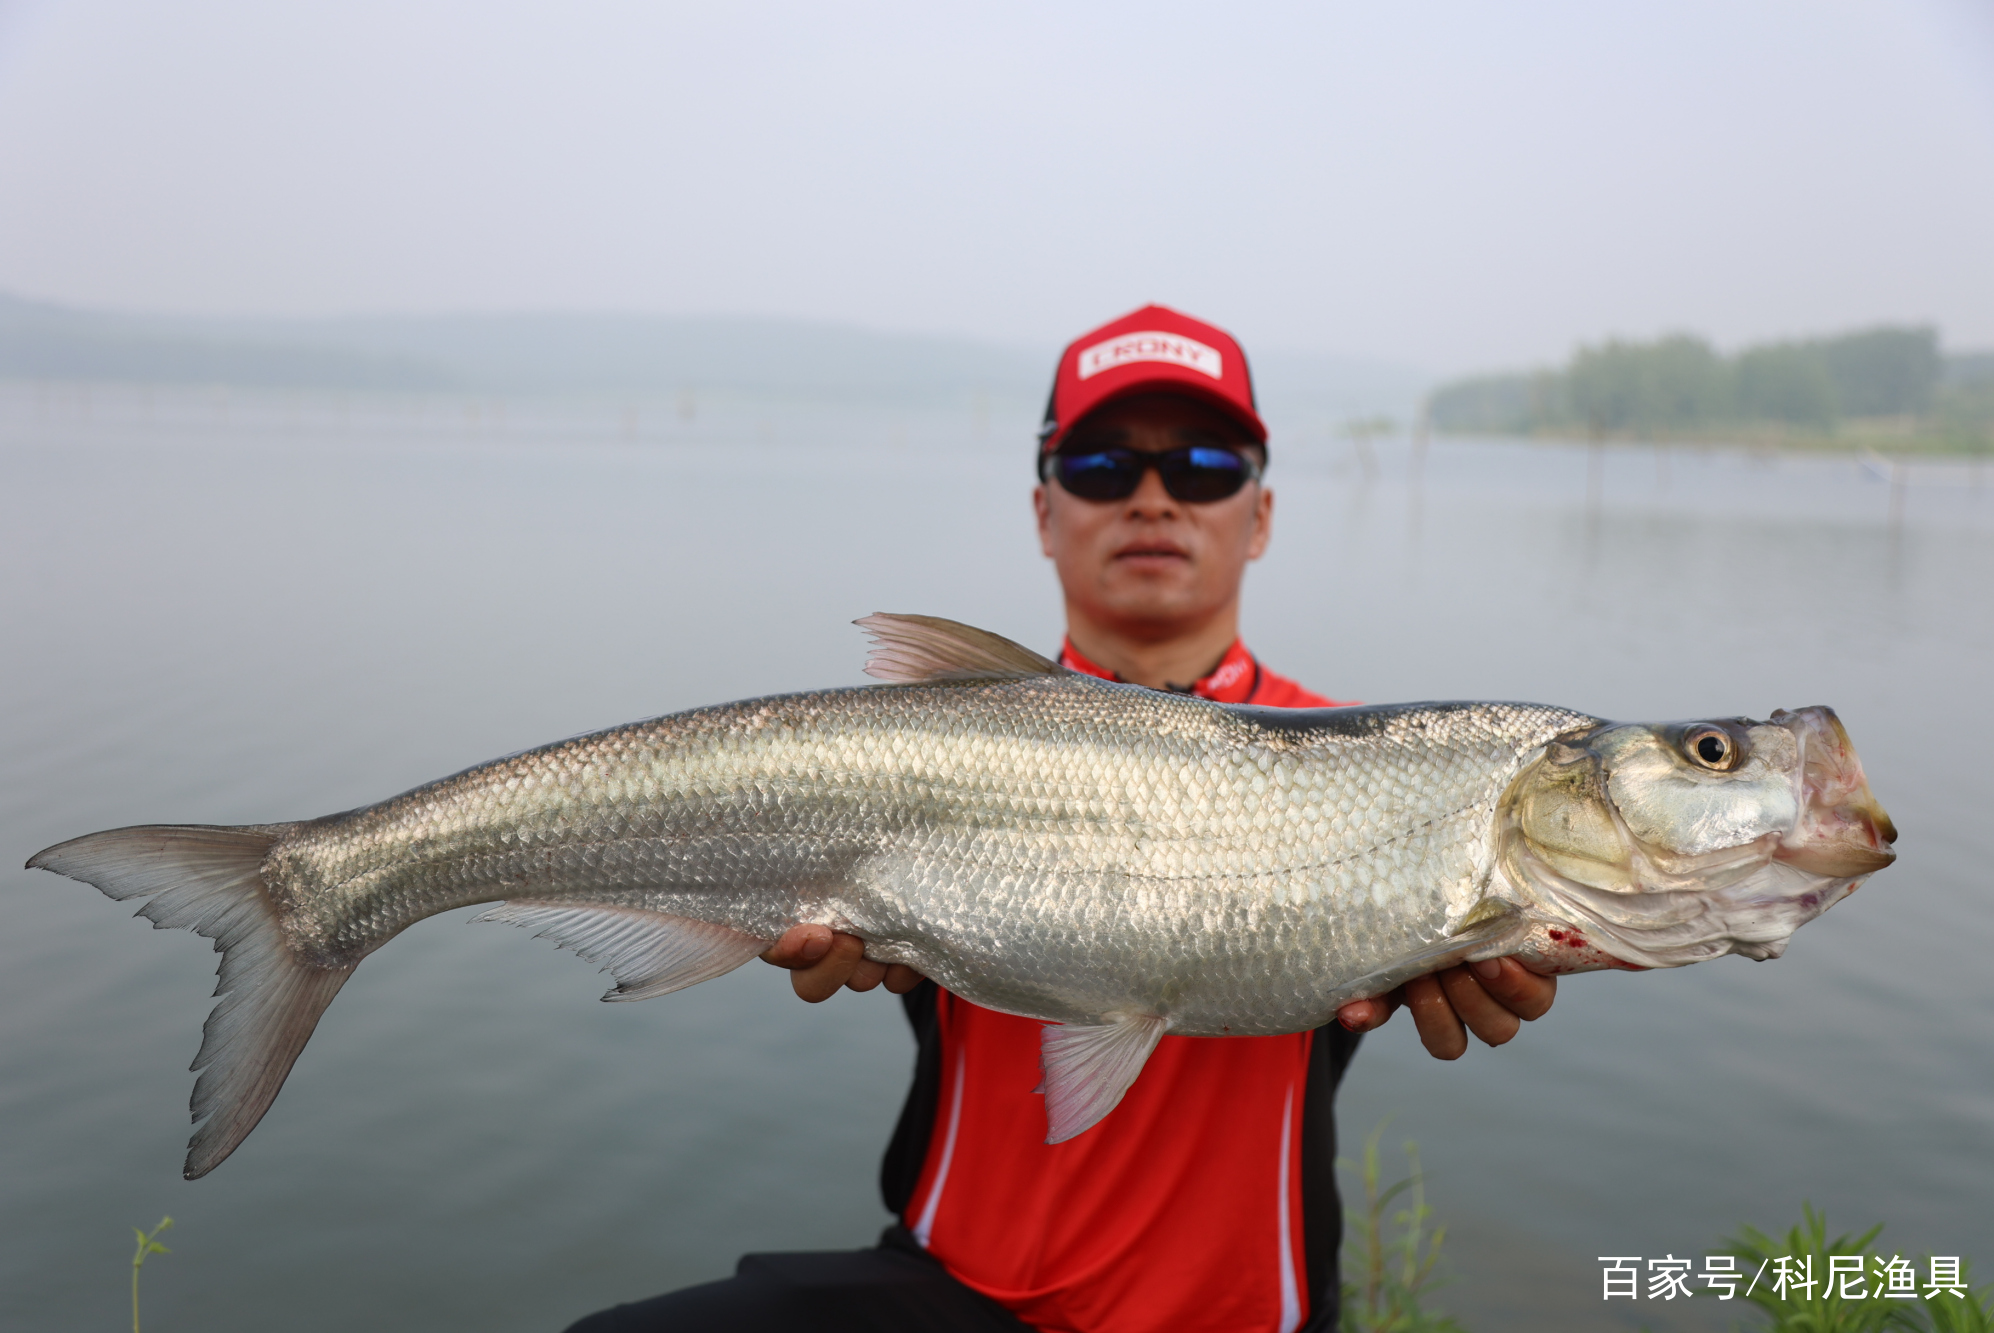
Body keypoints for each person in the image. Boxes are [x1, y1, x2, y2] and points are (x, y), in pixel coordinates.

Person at [566, 306, 1558, 1333]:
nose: (1151, 500)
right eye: (1099, 466)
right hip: (947, 1294)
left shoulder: (1381, 766)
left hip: (1239, 1314)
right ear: (1043, 511)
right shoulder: (938, 734)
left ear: (1259, 514)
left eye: (1204, 466)